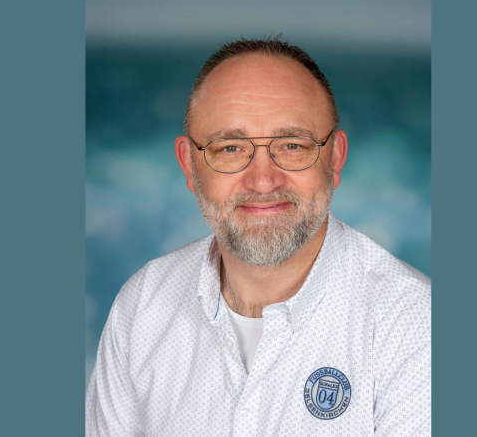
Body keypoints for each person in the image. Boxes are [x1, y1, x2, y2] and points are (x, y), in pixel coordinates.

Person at [86, 37, 431, 436]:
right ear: (189, 164)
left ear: (335, 158)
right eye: (230, 148)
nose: (263, 180)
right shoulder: (142, 307)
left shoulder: (414, 323)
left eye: (292, 145)